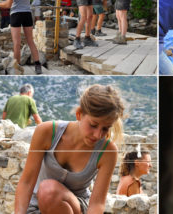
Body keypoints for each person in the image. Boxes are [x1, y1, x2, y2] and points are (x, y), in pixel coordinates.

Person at [14, 84, 125, 214]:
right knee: (46, 190)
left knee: (49, 191)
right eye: (93, 125)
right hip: (35, 206)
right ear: (79, 114)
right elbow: (26, 182)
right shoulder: (46, 132)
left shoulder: (107, 151)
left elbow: (97, 203)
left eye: (105, 128)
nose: (98, 135)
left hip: (76, 207)